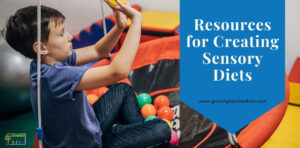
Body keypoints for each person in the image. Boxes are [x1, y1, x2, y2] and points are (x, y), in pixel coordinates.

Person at [4, 0, 173, 147]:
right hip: (88, 144)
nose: (70, 36)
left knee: (123, 90)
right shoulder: (55, 77)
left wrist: (120, 27)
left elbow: (97, 50)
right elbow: (118, 71)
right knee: (162, 129)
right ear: (41, 47)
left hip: (87, 129)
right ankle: (133, 137)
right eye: (61, 34)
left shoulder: (45, 61)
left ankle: (134, 137)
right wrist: (136, 21)